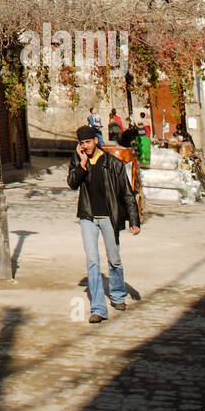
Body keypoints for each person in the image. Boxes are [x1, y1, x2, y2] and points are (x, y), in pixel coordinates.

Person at [68, 125, 140, 324]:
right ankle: (98, 308)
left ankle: (117, 295)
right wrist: (82, 164)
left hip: (109, 216)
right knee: (92, 261)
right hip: (88, 216)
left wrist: (134, 220)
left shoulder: (114, 164)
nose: (85, 146)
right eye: (82, 144)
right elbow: (72, 183)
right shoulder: (78, 160)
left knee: (114, 259)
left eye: (88, 142)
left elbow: (127, 193)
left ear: (96, 141)